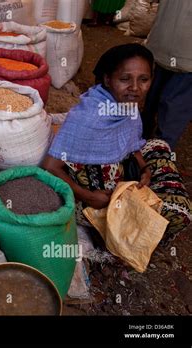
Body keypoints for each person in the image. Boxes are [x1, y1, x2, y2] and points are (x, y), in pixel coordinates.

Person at [42, 43, 191, 245]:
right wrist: (89, 196)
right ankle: (121, 232)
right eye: (124, 79)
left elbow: (131, 142)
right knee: (175, 214)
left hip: (120, 179)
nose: (136, 88)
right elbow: (50, 167)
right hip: (94, 197)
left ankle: (131, 229)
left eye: (144, 80)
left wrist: (144, 168)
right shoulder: (88, 116)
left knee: (159, 147)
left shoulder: (128, 106)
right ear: (107, 79)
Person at [141, 0, 192, 149]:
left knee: (153, 97)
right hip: (186, 54)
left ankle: (140, 141)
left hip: (162, 44)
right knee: (175, 106)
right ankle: (159, 152)